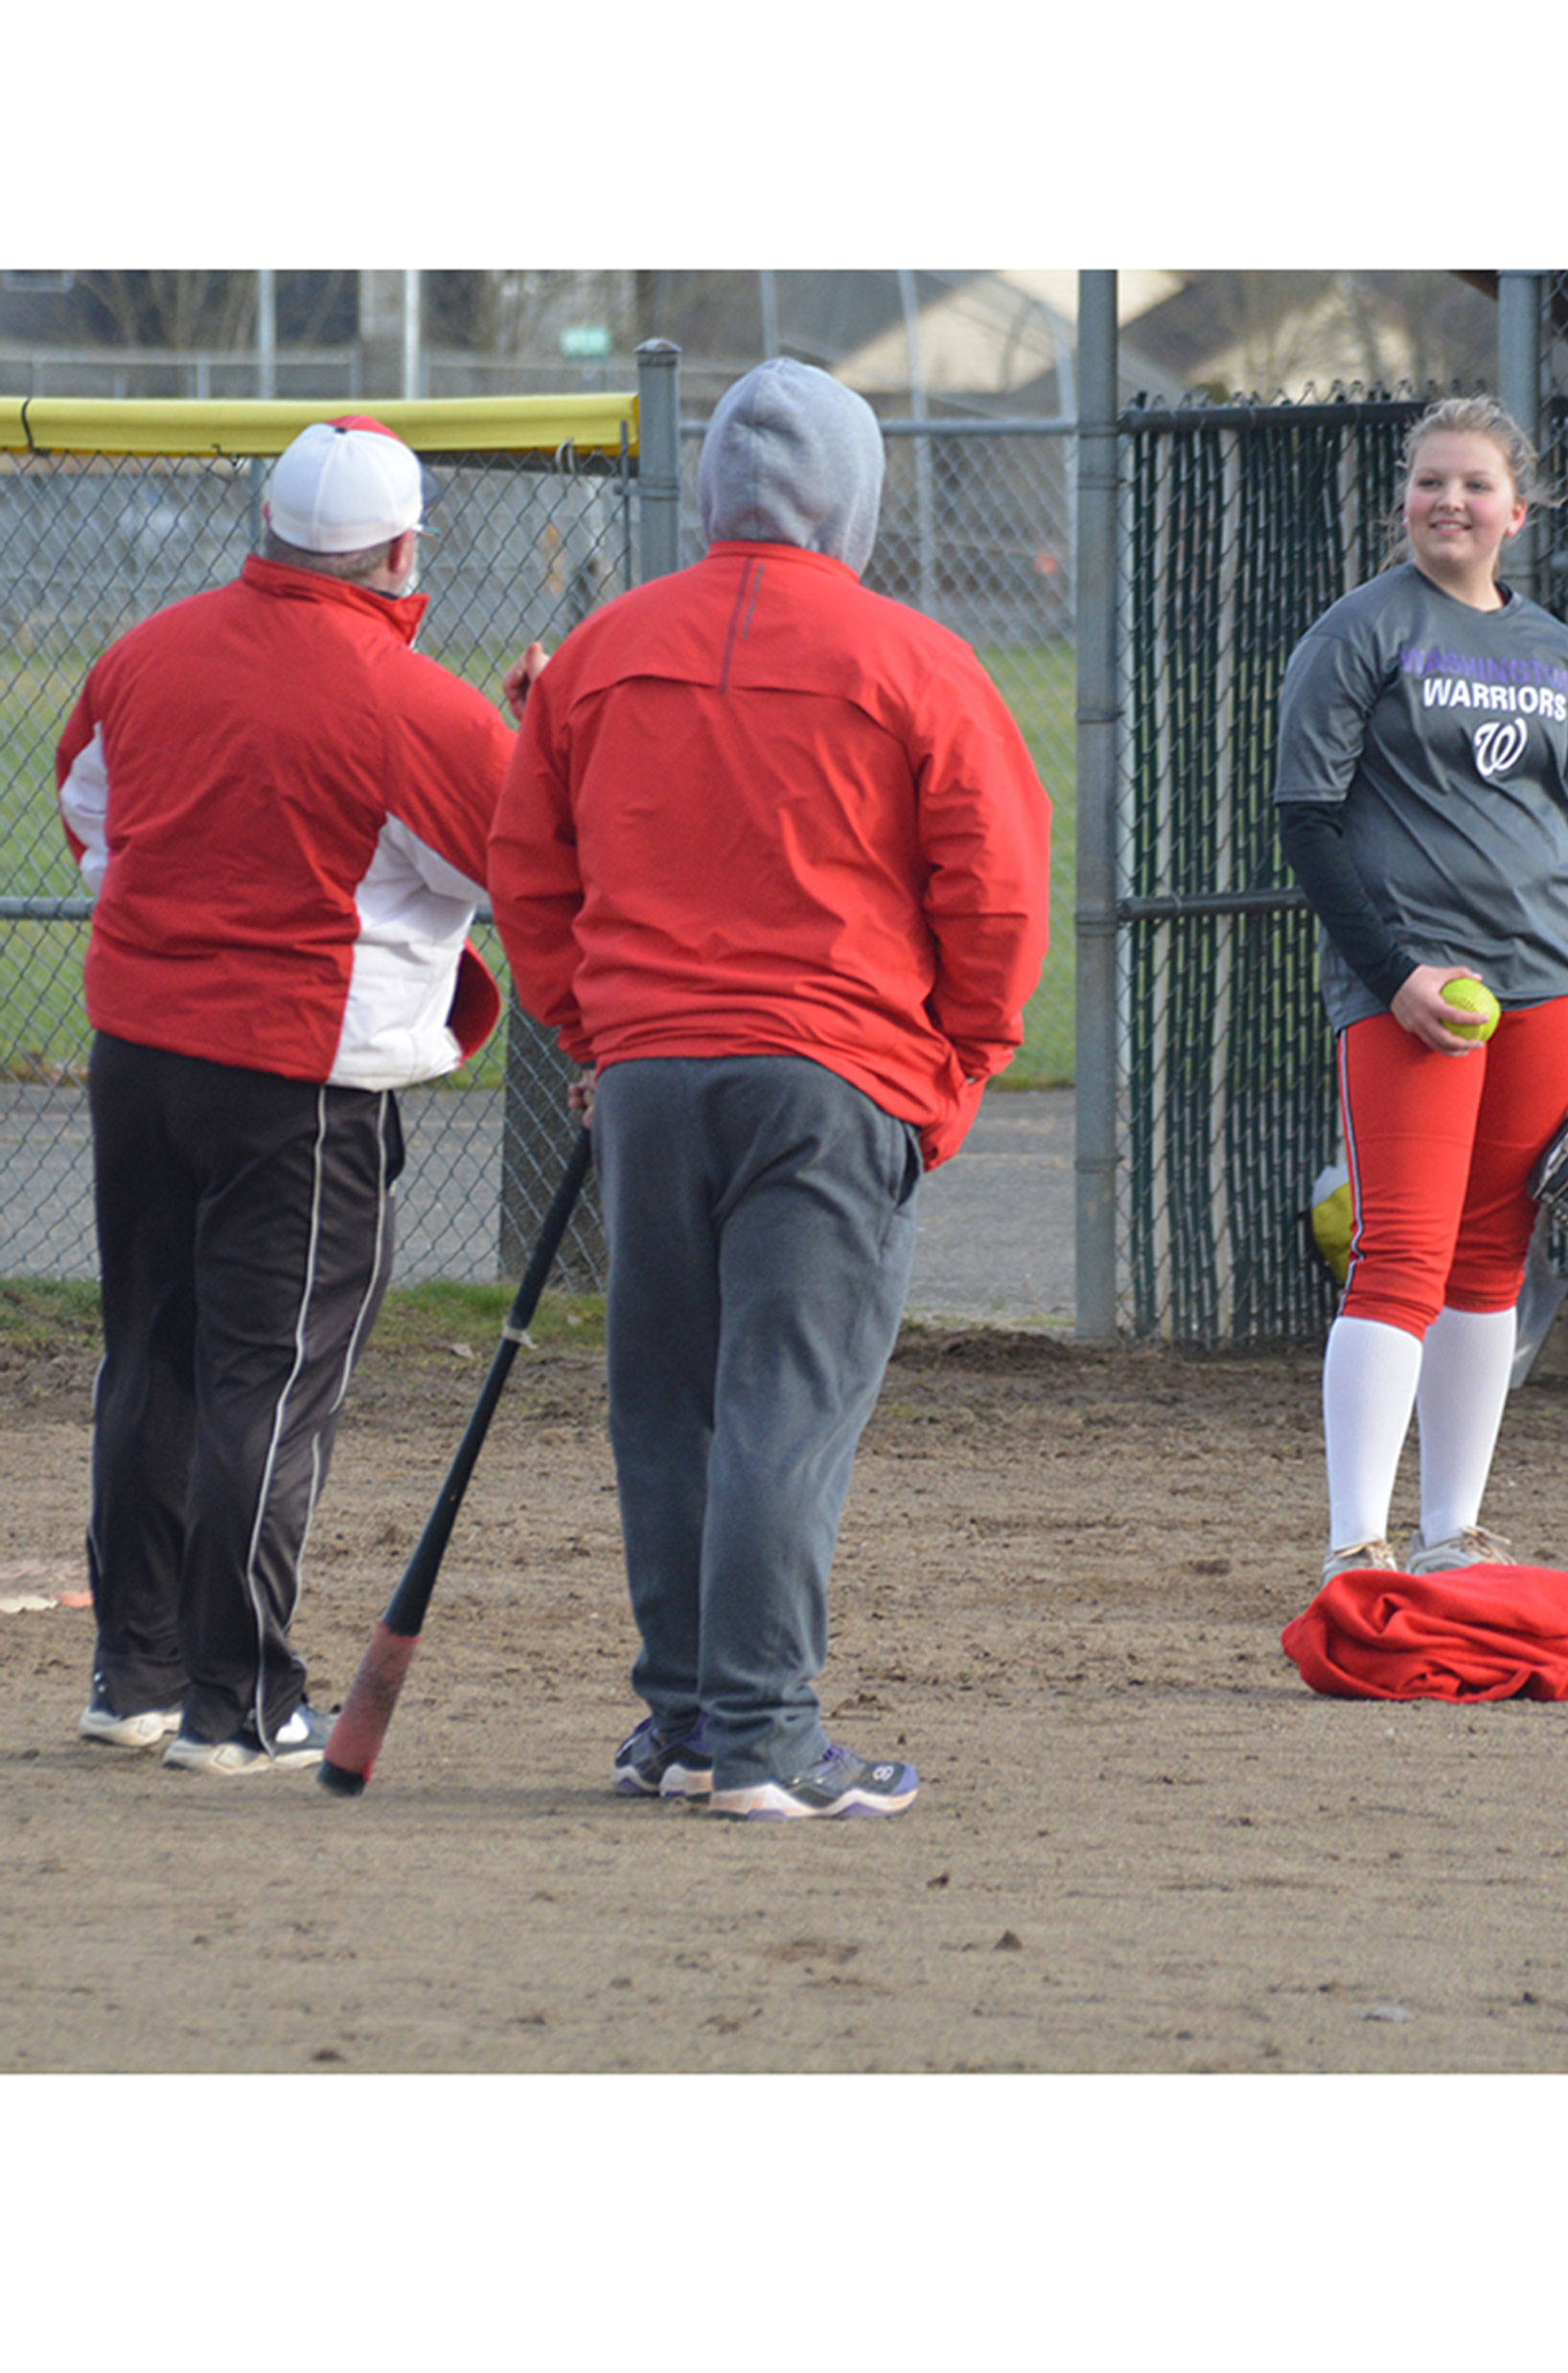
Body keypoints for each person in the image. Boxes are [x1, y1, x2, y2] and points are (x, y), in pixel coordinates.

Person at [488, 357, 1050, 1820]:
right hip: (831, 1074)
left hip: (653, 1075)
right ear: (851, 498)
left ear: (710, 490)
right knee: (780, 1408)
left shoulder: (602, 651)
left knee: (666, 1406)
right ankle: (764, 1736)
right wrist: (952, 1071)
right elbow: (996, 891)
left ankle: (686, 1723)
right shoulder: (914, 658)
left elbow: (528, 871)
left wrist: (592, 1036)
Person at [56, 415, 519, 1773]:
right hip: (298, 1076)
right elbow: (522, 864)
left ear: (267, 526)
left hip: (141, 1048)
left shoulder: (147, 652)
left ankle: (135, 1673)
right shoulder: (413, 701)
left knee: (152, 1356)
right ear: (402, 551)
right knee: (271, 1380)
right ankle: (238, 1701)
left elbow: (91, 814)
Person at [1273, 394, 1568, 1582]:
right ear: (1403, 501)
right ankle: (1355, 1540)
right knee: (1399, 1252)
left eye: (1475, 484)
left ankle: (1449, 1532)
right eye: (1430, 481)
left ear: (1514, 513)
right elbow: (1308, 821)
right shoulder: (1359, 631)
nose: (1449, 501)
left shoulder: (1557, 654)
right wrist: (1393, 974)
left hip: (1547, 984)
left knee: (1490, 1260)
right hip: (1413, 987)